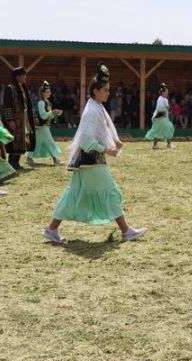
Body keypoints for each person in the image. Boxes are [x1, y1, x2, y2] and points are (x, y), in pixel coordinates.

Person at [42, 62, 147, 243]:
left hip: (87, 160)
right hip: (90, 160)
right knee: (109, 191)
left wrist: (114, 140)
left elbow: (103, 128)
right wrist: (107, 149)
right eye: (105, 90)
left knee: (73, 194)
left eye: (108, 89)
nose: (108, 92)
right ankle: (126, 231)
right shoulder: (91, 110)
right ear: (95, 90)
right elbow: (87, 140)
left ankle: (52, 229)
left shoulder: (96, 106)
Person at [3, 67, 37, 170]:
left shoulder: (23, 88)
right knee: (14, 141)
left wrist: (33, 117)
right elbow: (7, 105)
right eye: (24, 75)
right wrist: (10, 120)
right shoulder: (10, 88)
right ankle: (11, 162)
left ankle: (16, 162)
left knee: (23, 141)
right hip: (15, 119)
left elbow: (28, 105)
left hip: (24, 119)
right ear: (18, 77)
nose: (26, 77)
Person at [26, 81, 63, 166]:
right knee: (49, 142)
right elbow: (43, 116)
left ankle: (29, 158)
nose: (49, 93)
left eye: (49, 92)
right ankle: (55, 159)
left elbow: (49, 117)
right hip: (42, 126)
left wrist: (55, 113)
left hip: (43, 126)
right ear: (42, 93)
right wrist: (52, 112)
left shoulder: (48, 102)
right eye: (47, 92)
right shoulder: (41, 102)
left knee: (36, 142)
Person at [145, 83, 176, 149]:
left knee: (158, 130)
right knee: (169, 128)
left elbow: (166, 109)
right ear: (163, 93)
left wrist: (168, 108)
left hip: (162, 117)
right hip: (160, 117)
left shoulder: (165, 99)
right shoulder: (160, 99)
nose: (167, 93)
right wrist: (166, 107)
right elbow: (160, 108)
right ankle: (168, 145)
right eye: (166, 92)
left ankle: (155, 145)